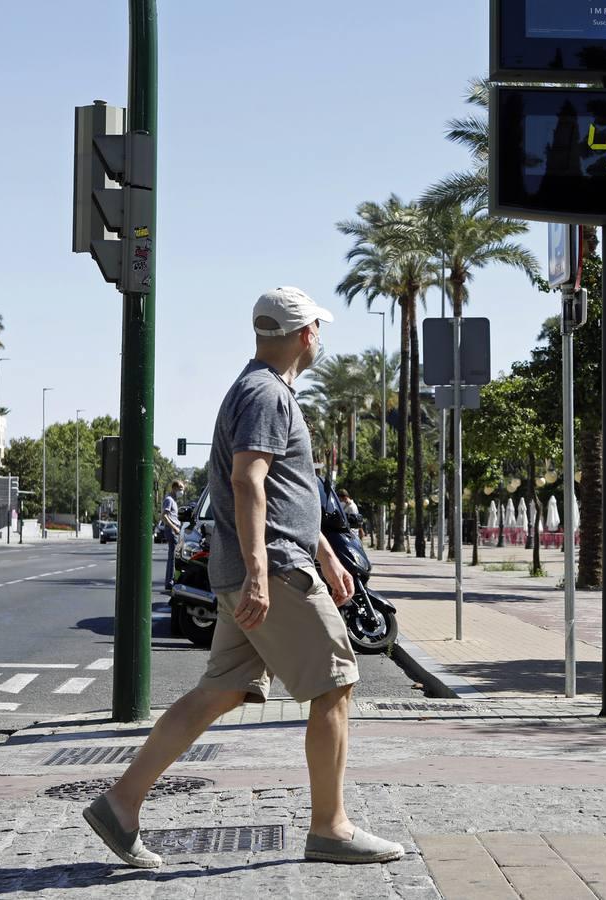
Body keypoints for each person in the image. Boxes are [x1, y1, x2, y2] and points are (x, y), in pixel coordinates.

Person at [83, 287, 403, 868]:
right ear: (306, 335)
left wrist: (325, 551)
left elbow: (283, 493)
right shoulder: (265, 394)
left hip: (263, 565)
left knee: (220, 691)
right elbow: (248, 482)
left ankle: (120, 804)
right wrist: (261, 570)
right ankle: (330, 827)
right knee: (335, 685)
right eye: (318, 330)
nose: (321, 340)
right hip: (274, 572)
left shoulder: (259, 387)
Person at [160, 479, 184, 592]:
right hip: (171, 530)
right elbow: (164, 516)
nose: (181, 491)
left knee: (174, 556)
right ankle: (169, 582)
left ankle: (171, 580)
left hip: (174, 529)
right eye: (180, 489)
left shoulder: (173, 500)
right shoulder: (169, 500)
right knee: (172, 557)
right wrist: (174, 527)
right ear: (174, 488)